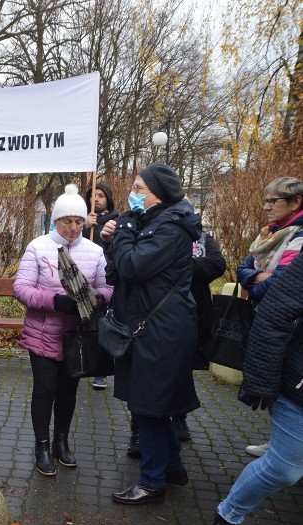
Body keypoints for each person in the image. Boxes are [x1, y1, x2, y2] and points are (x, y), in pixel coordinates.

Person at [101, 162, 201, 505]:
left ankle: (152, 482)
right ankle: (172, 467)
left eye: (140, 188)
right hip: (149, 327)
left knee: (148, 407)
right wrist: (111, 242)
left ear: (160, 193)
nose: (134, 193)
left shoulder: (171, 227)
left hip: (161, 330)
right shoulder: (154, 221)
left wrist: (126, 224)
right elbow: (119, 273)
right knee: (152, 404)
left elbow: (133, 265)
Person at [207, 252, 303, 525]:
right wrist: (261, 382)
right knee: (285, 468)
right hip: (298, 385)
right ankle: (228, 514)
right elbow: (274, 313)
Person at [14, 184, 113, 476]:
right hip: (42, 332)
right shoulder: (38, 246)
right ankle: (42, 445)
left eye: (79, 221)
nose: (73, 227)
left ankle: (62, 441)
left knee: (69, 391)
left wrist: (98, 299)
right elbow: (22, 289)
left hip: (77, 337)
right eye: (67, 221)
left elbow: (108, 286)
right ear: (55, 220)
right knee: (45, 389)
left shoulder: (95, 251)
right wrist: (55, 300)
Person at [127, 227, 226, 458]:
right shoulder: (153, 235)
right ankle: (138, 431)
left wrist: (180, 265)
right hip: (155, 314)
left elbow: (216, 264)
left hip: (194, 313)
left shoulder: (202, 237)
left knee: (183, 370)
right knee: (145, 375)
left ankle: (179, 418)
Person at [235, 177, 303, 458]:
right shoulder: (270, 235)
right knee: (272, 380)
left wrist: (256, 283)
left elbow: (281, 284)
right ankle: (279, 439)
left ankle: (284, 445)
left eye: (272, 201)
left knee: (285, 382)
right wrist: (257, 278)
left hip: (288, 327)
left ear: (295, 202)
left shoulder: (298, 237)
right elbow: (242, 268)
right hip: (265, 320)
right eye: (265, 200)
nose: (265, 207)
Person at [83, 182, 118, 390]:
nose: (96, 199)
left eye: (101, 196)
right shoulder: (83, 220)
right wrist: (85, 227)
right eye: (93, 195)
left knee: (102, 324)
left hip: (106, 278)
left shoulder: (117, 220)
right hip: (84, 274)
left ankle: (101, 371)